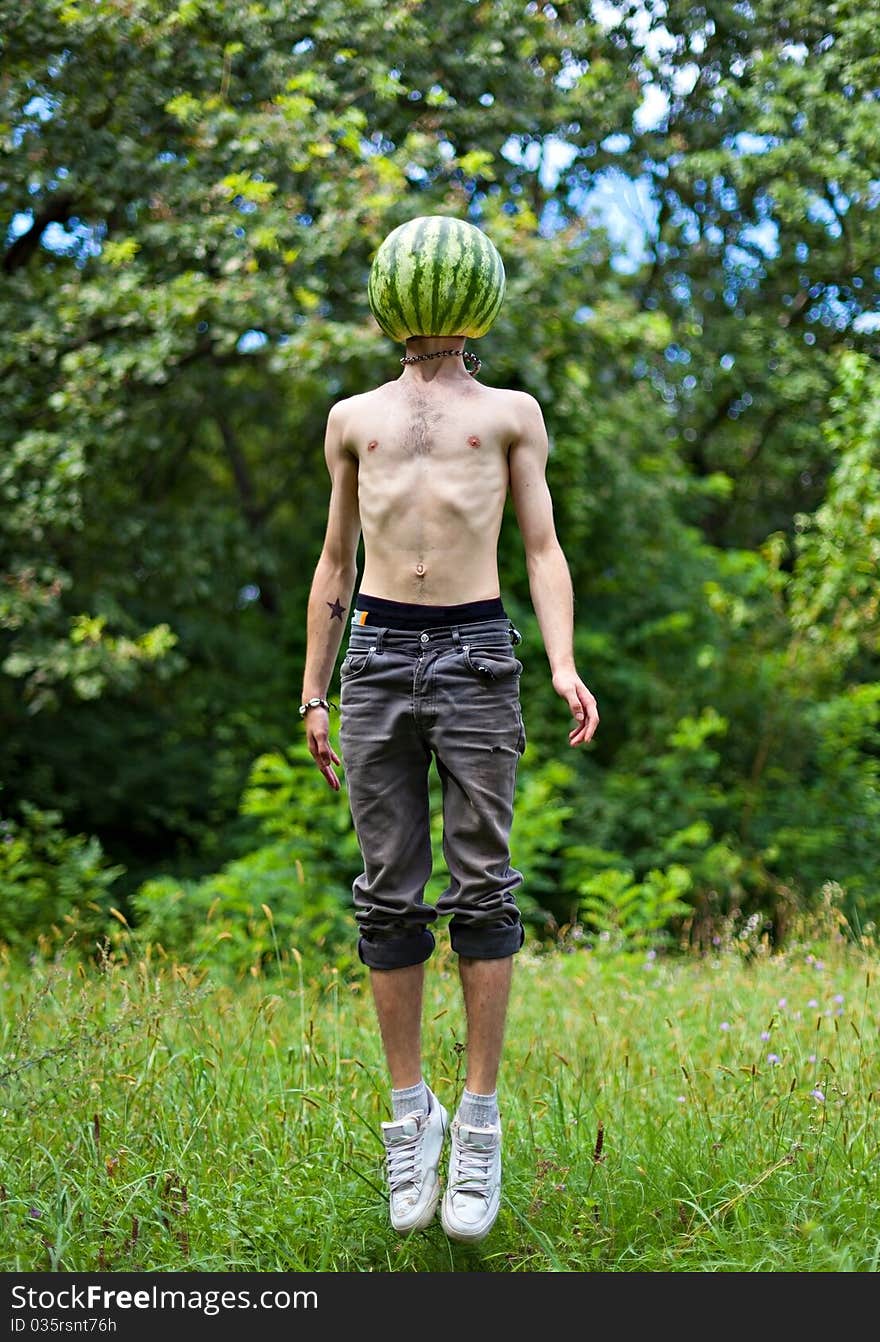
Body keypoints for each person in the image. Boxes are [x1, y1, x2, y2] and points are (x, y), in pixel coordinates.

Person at [300, 333, 599, 1243]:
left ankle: (477, 1120)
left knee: (482, 887)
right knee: (386, 897)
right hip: (378, 657)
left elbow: (542, 549)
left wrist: (561, 662)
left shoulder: (512, 413)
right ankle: (409, 1113)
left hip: (476, 653)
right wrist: (315, 686)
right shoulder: (353, 418)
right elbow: (336, 560)